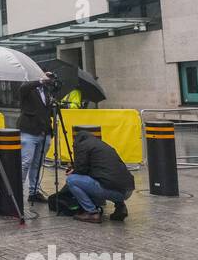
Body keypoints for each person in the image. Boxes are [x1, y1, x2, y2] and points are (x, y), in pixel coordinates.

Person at [64, 130, 135, 222]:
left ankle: (92, 213)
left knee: (72, 180)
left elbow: (81, 170)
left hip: (113, 190)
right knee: (110, 178)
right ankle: (120, 207)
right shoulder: (103, 145)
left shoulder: (83, 145)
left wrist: (73, 172)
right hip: (128, 190)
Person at [17, 73, 55, 203]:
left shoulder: (47, 91)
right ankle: (17, 191)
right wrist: (40, 81)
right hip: (29, 131)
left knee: (38, 163)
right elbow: (23, 89)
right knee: (25, 162)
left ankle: (34, 191)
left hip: (44, 132)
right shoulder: (27, 88)